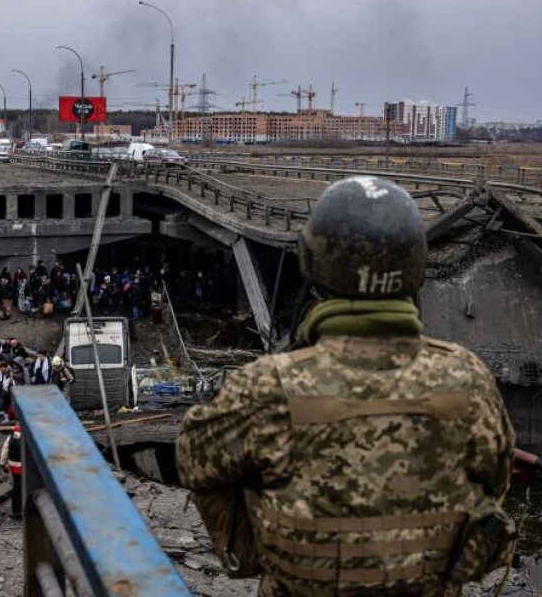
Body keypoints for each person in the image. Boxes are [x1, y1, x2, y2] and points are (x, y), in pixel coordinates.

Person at [176, 177, 516, 596]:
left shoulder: (267, 386)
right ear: (416, 266)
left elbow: (194, 460)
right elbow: (494, 484)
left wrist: (251, 547)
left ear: (312, 260)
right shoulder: (468, 378)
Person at [0, 423, 23, 520]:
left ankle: (16, 511)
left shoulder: (10, 437)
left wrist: (2, 464)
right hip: (24, 467)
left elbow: (4, 452)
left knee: (16, 487)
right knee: (23, 487)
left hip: (13, 466)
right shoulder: (27, 437)